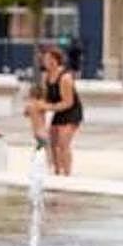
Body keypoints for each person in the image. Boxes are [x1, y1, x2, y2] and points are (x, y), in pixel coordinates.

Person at [30, 46, 83, 176]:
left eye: (47, 59)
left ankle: (67, 173)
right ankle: (57, 171)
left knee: (63, 143)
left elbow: (68, 102)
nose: (44, 62)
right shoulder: (46, 76)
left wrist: (47, 107)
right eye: (44, 59)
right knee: (52, 143)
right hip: (58, 111)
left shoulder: (65, 78)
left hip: (71, 111)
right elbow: (46, 97)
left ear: (55, 60)